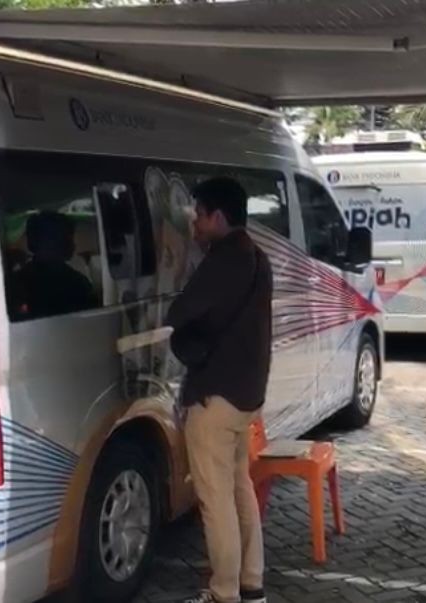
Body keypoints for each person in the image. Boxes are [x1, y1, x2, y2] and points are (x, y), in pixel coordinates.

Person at [165, 177, 273, 603]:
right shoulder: (256, 256)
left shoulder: (225, 259)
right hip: (245, 395)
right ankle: (251, 584)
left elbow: (181, 310)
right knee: (238, 488)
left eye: (198, 215)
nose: (193, 224)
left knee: (215, 500)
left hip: (216, 396)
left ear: (219, 217)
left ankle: (223, 592)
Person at [16, 211, 99, 319]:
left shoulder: (18, 281)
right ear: (45, 242)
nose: (72, 245)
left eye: (70, 238)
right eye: (66, 238)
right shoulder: (76, 283)